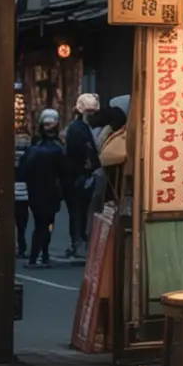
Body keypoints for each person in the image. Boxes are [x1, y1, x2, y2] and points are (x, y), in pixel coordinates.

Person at [17, 110, 65, 267]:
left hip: (35, 192)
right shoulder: (59, 149)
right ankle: (43, 254)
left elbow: (22, 172)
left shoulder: (34, 149)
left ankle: (35, 257)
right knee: (48, 223)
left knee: (39, 224)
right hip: (52, 192)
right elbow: (65, 172)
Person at [63, 93, 101, 258]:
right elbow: (81, 153)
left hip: (76, 176)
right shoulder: (80, 129)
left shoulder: (77, 128)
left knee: (78, 212)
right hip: (80, 176)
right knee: (79, 211)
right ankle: (79, 243)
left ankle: (78, 242)